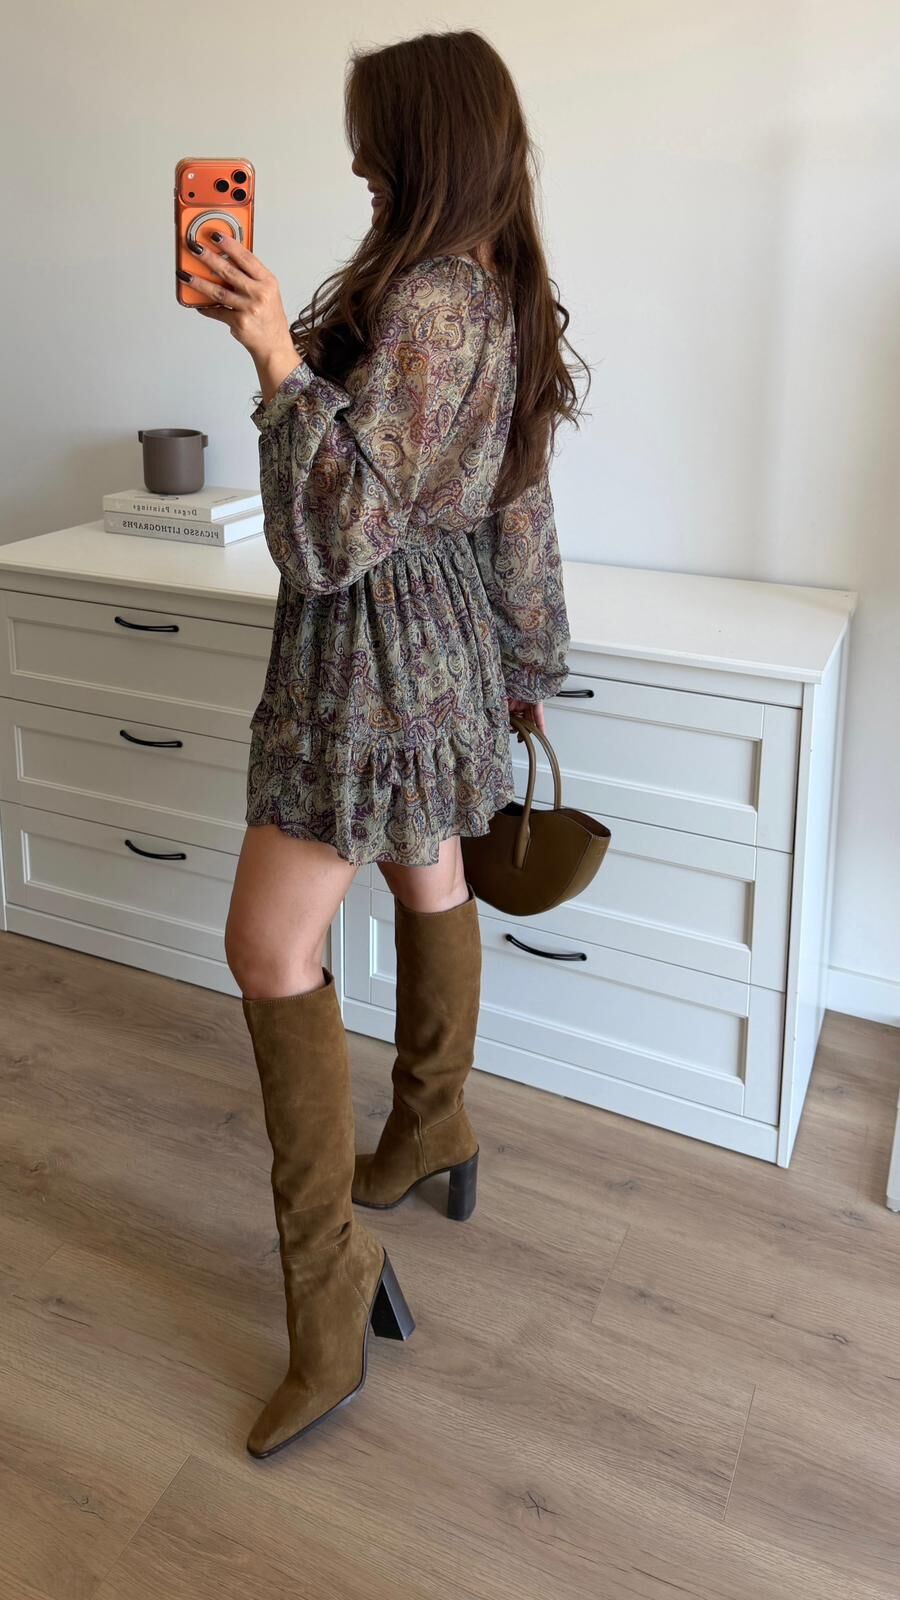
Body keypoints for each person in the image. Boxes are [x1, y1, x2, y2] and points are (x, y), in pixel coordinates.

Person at [183, 27, 589, 1459]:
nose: (358, 161)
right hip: (452, 651)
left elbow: (332, 538)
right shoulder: (500, 282)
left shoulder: (427, 300)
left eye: (373, 140)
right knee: (432, 872)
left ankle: (332, 1291)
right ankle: (432, 1128)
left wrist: (274, 356)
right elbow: (520, 503)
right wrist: (524, 663)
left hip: (367, 664)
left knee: (265, 948)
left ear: (425, 142)